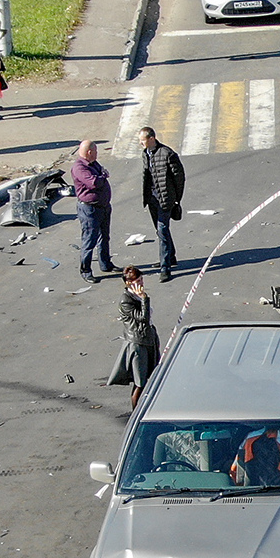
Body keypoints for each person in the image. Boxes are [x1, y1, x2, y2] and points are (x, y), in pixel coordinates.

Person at [106, 267, 159, 408]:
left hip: (148, 339)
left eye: (141, 280)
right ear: (129, 283)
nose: (141, 284)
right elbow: (143, 318)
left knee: (150, 376)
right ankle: (135, 412)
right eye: (137, 281)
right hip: (138, 343)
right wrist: (144, 299)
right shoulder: (126, 300)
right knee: (139, 382)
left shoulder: (136, 295)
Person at [138, 127, 186, 282]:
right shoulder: (146, 154)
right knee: (160, 231)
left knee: (162, 229)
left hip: (165, 200)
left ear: (151, 138)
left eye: (142, 140)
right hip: (152, 199)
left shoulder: (167, 154)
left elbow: (179, 178)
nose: (140, 143)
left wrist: (176, 198)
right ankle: (170, 257)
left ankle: (165, 268)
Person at [72, 140, 116, 282]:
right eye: (96, 151)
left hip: (103, 206)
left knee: (104, 236)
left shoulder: (93, 164)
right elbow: (93, 182)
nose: (97, 154)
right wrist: (103, 176)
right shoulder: (79, 167)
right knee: (89, 239)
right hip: (89, 209)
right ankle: (86, 270)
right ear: (89, 152)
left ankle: (105, 264)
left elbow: (101, 173)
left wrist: (102, 175)